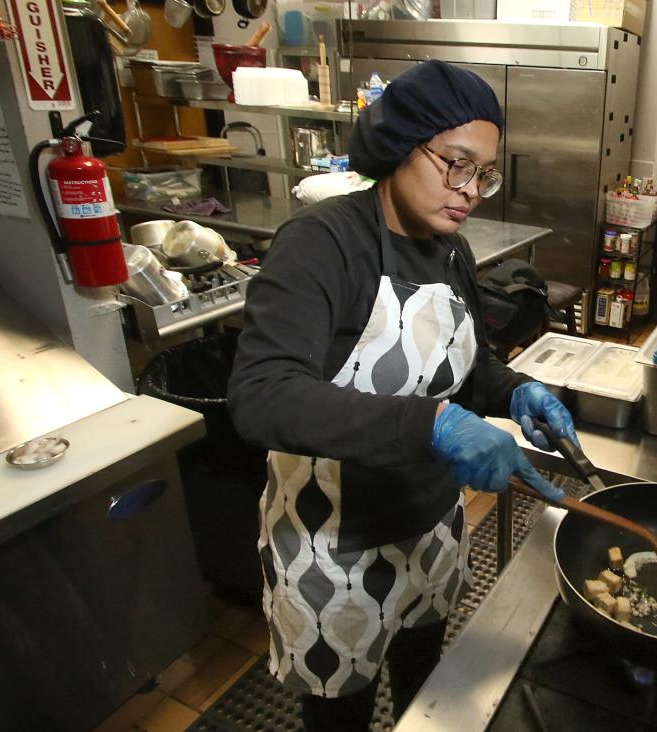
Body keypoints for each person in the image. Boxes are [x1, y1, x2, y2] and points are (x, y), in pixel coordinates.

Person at [227, 60, 577, 731]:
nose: (471, 190)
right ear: (400, 143)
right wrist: (435, 427)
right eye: (455, 164)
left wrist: (516, 389)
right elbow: (262, 395)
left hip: (431, 533)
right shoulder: (322, 243)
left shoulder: (451, 252)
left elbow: (465, 370)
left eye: (485, 173)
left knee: (430, 695)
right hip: (332, 548)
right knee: (342, 719)